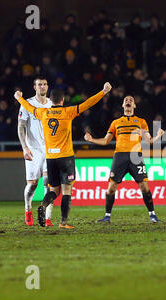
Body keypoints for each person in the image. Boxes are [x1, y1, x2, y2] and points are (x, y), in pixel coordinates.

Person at [14, 82, 112, 228]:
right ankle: (63, 222)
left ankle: (43, 204)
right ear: (62, 100)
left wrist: (19, 98)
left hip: (51, 158)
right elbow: (87, 103)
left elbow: (29, 108)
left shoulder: (43, 113)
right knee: (66, 190)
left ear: (50, 101)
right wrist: (103, 92)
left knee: (54, 190)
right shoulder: (68, 112)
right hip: (66, 157)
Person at [84, 95, 165, 223]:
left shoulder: (141, 122)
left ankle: (153, 215)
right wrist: (91, 139)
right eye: (126, 100)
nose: (128, 101)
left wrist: (158, 136)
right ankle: (107, 216)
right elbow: (106, 141)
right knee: (111, 187)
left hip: (135, 156)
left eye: (131, 100)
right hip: (120, 156)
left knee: (144, 186)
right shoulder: (116, 123)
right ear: (123, 105)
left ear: (134, 105)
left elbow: (148, 141)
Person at [17, 77, 54, 227]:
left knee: (49, 183)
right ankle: (27, 209)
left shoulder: (52, 104)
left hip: (50, 149)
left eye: (45, 84)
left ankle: (47, 217)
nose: (42, 87)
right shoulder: (27, 104)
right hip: (33, 149)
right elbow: (21, 126)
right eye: (39, 85)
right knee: (33, 184)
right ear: (34, 87)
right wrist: (24, 147)